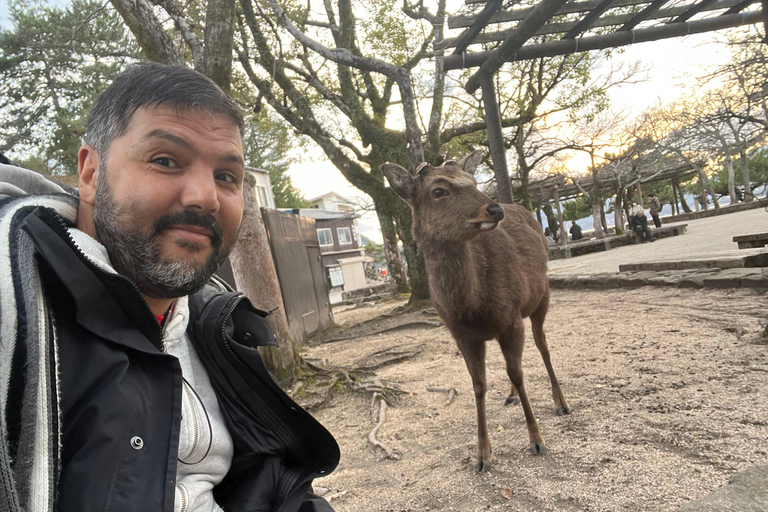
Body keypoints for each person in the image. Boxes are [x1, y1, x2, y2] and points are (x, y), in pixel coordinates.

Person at [0, 63, 339, 512]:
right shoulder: (15, 306)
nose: (206, 197)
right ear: (90, 174)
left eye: (226, 176)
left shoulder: (213, 320)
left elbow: (270, 478)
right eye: (165, 161)